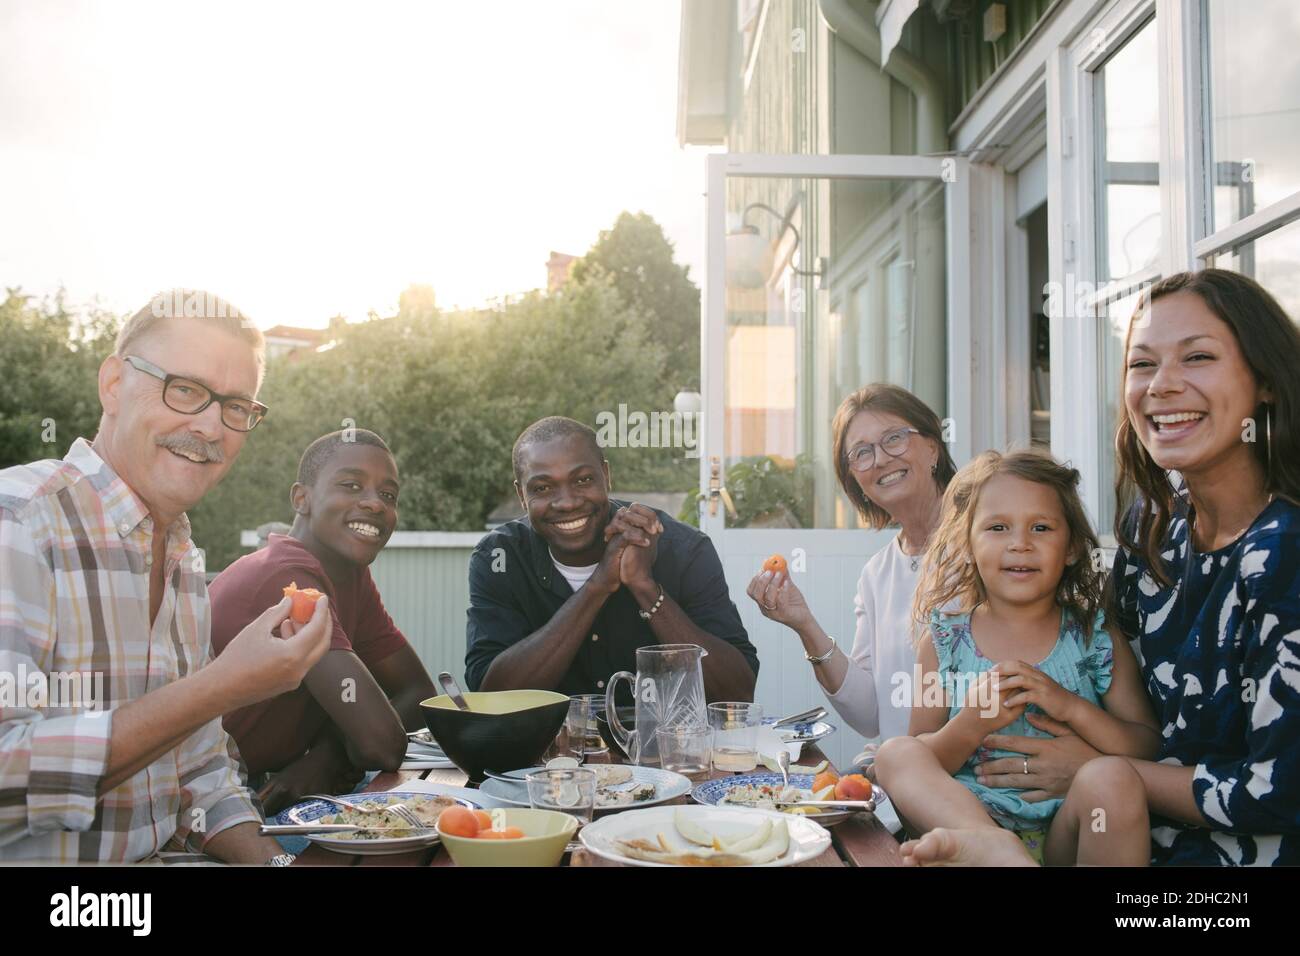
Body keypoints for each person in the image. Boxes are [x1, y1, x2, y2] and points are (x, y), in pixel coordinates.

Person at [907, 269, 1300, 867]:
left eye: (1197, 357)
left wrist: (1101, 771)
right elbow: (1111, 682)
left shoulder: (1285, 553)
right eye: (1142, 365)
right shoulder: (1153, 527)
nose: (1162, 386)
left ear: (1265, 381)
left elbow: (1276, 791)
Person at [0, 290, 332, 864]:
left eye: (235, 407)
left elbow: (201, 774)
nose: (209, 427)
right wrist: (222, 686)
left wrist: (280, 866)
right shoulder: (20, 521)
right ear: (112, 384)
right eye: (184, 390)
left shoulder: (181, 555)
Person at [875, 449, 1160, 865]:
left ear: (1072, 548)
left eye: (1041, 527)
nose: (1020, 544)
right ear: (968, 545)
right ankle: (996, 848)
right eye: (998, 527)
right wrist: (974, 723)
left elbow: (1146, 745)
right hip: (969, 835)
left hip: (1069, 831)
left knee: (1113, 777)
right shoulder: (944, 643)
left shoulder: (1093, 638)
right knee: (895, 754)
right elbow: (926, 762)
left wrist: (1071, 708)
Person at [210, 429, 436, 814]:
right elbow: (382, 745)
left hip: (273, 783)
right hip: (212, 798)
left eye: (388, 495)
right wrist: (341, 749)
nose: (375, 504)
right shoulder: (285, 576)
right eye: (351, 485)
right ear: (302, 499)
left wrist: (328, 754)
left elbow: (418, 692)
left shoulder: (349, 576)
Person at [465, 416, 758, 701]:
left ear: (606, 476)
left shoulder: (684, 549)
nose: (567, 502)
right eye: (542, 488)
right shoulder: (499, 558)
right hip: (546, 750)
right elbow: (490, 698)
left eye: (583, 480)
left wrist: (645, 587)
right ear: (521, 495)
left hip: (664, 749)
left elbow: (737, 693)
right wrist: (599, 585)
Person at [746, 384, 955, 741]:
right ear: (855, 481)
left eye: (894, 438)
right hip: (906, 779)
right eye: (861, 453)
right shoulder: (876, 575)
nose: (881, 459)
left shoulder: (988, 542)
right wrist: (805, 625)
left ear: (933, 447)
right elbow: (870, 716)